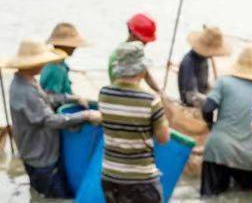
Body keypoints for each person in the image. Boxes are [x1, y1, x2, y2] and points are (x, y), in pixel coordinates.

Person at [3, 39, 101, 199]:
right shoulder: (25, 91)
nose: (44, 64)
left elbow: (47, 98)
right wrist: (86, 115)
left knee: (41, 193)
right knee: (55, 197)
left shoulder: (26, 81)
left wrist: (72, 98)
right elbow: (50, 120)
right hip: (41, 159)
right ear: (31, 64)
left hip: (33, 153)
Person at [99, 41, 170, 203]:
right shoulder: (151, 100)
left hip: (110, 177)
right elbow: (164, 138)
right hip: (141, 181)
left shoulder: (104, 94)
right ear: (142, 69)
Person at [200, 46, 252, 196]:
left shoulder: (224, 82)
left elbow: (207, 108)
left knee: (210, 198)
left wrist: (212, 126)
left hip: (218, 149)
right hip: (248, 156)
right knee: (243, 196)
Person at [108, 13, 162, 93]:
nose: (145, 44)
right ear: (133, 35)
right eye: (144, 41)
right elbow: (121, 87)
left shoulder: (136, 52)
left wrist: (160, 92)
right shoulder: (118, 57)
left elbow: (146, 75)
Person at [178, 25, 230, 107]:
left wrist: (216, 92)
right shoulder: (189, 62)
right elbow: (190, 96)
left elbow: (204, 85)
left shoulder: (203, 59)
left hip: (202, 107)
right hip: (192, 111)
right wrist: (213, 102)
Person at [40, 23, 90, 107]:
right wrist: (76, 99)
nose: (75, 47)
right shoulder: (56, 68)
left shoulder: (57, 62)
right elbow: (51, 98)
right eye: (73, 45)